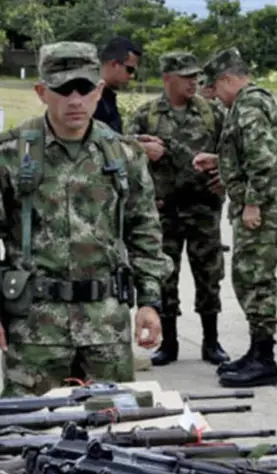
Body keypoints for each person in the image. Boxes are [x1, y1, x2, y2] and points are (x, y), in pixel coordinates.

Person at [0, 41, 173, 396]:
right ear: (41, 92)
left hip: (105, 328)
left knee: (109, 431)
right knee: (27, 431)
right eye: (62, 89)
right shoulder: (11, 154)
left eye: (83, 89)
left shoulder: (123, 154)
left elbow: (145, 233)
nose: (74, 100)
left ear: (98, 91)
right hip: (35, 329)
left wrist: (150, 303)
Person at [194, 48, 277, 389]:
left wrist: (253, 204)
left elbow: (263, 161)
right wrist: (219, 160)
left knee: (255, 278)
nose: (215, 97)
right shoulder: (250, 102)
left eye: (215, 88)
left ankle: (264, 360)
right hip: (261, 202)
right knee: (248, 276)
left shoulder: (249, 104)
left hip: (261, 207)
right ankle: (256, 350)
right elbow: (249, 155)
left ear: (228, 79)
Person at [126, 52, 230, 368]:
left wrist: (223, 175)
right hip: (163, 211)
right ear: (167, 78)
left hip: (203, 209)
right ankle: (168, 343)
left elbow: (232, 151)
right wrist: (141, 149)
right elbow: (122, 153)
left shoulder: (213, 113)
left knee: (209, 276)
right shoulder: (146, 115)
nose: (192, 82)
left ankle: (211, 342)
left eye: (195, 76)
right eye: (185, 76)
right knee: (165, 277)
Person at [94, 36, 141, 134]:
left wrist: (135, 141)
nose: (132, 76)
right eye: (130, 69)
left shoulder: (106, 96)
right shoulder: (89, 98)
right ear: (114, 64)